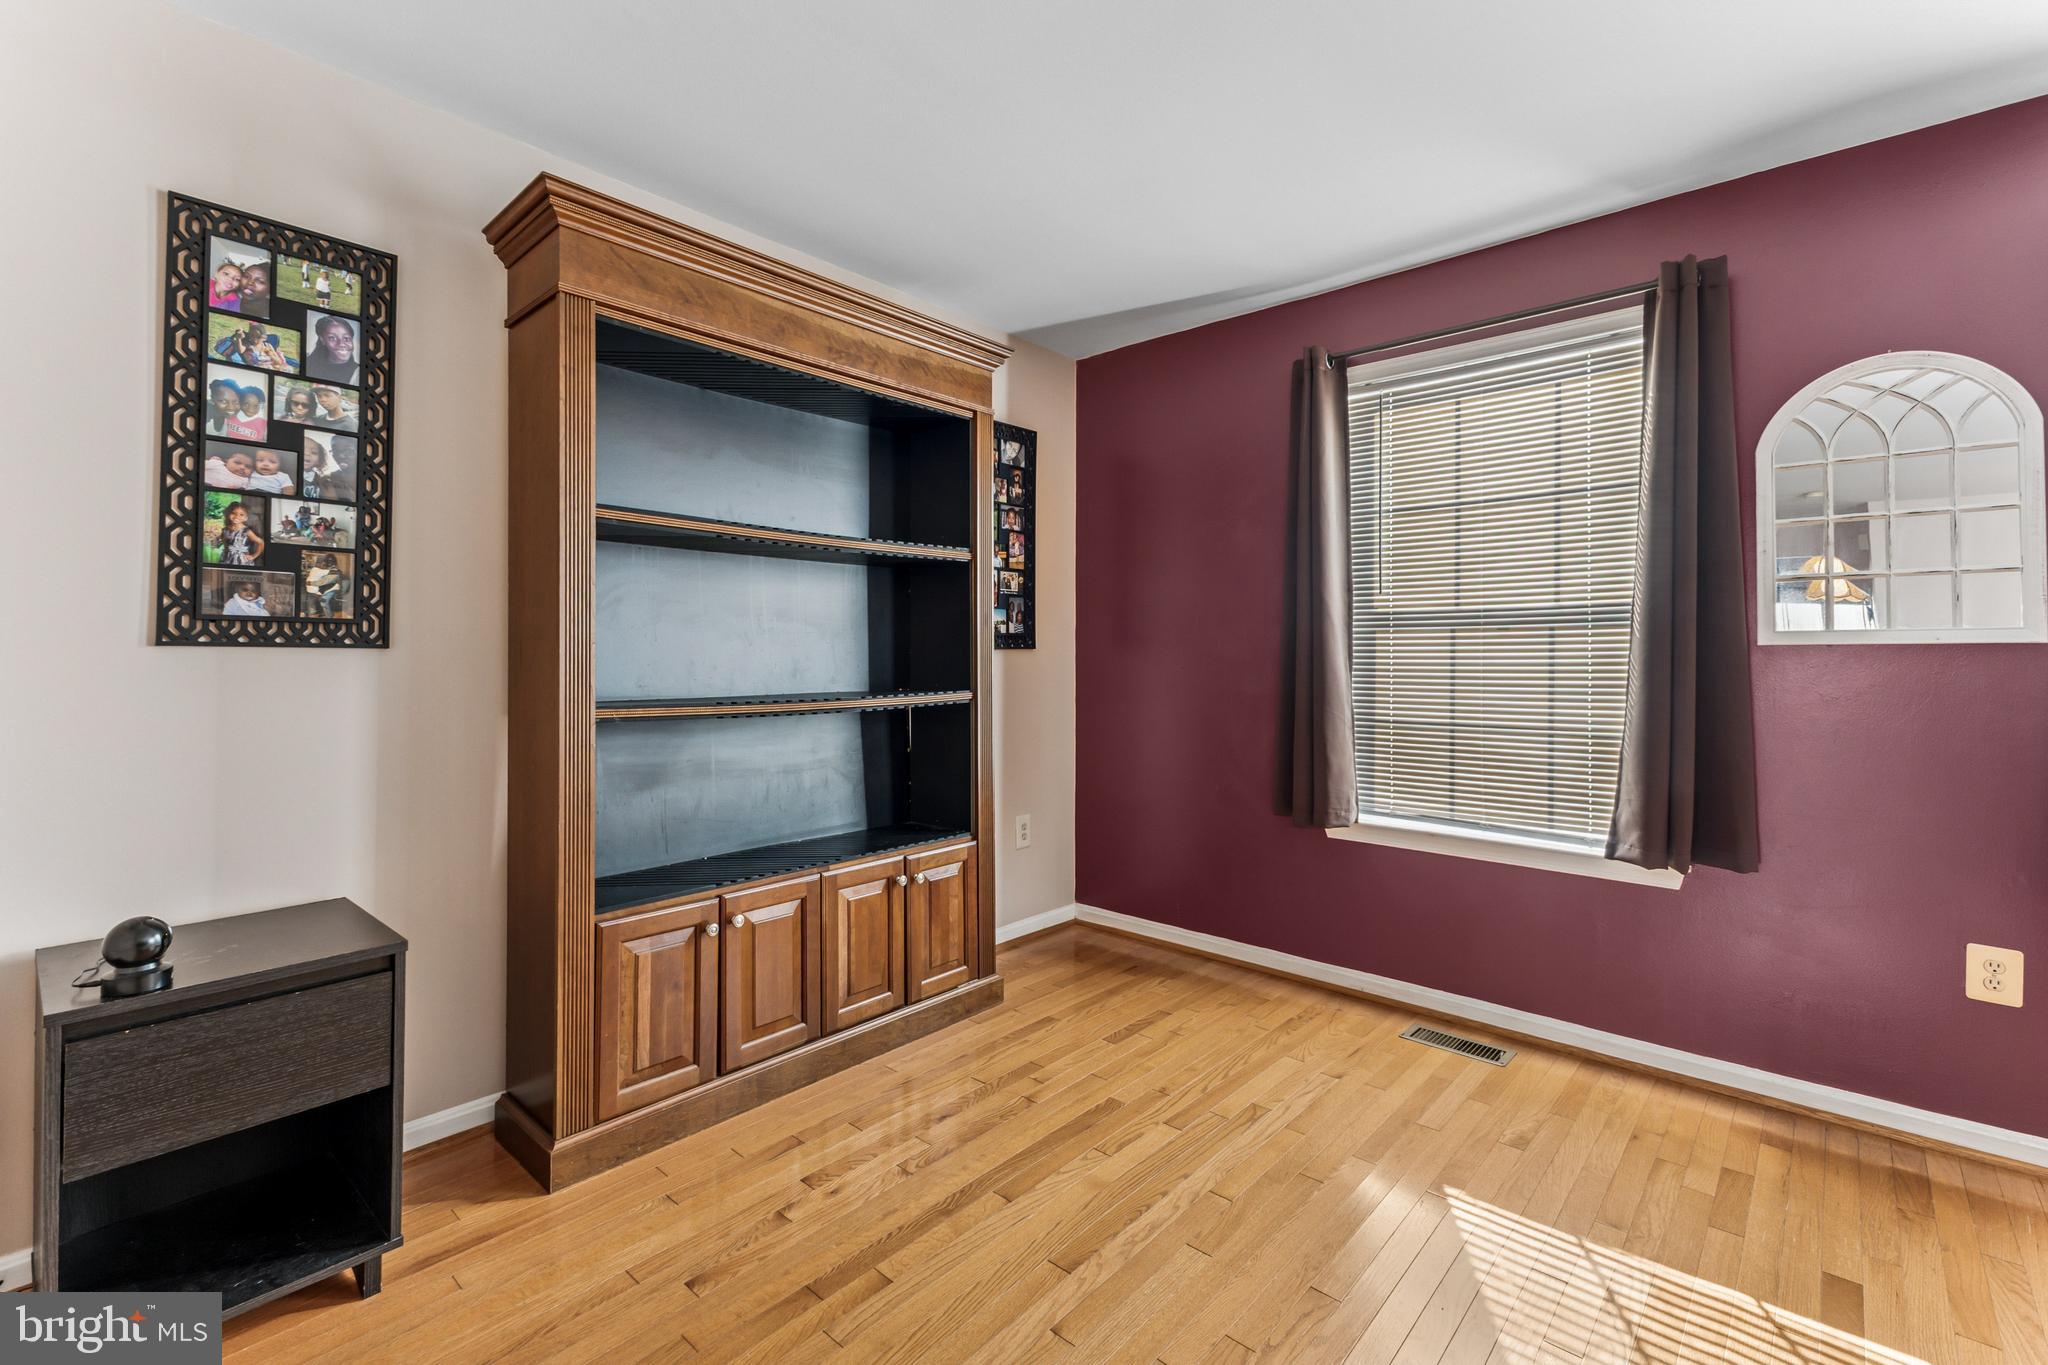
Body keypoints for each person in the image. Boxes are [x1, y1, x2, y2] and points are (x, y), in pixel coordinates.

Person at [306, 315, 359, 384]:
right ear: (322, 340)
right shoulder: (308, 363)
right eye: (332, 338)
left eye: (346, 338)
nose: (341, 344)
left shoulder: (358, 373)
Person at [211, 501, 265, 566]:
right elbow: (218, 544)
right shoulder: (225, 529)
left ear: (246, 518)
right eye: (233, 513)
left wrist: (254, 556)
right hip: (226, 559)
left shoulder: (246, 531)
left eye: (241, 514)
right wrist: (215, 537)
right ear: (228, 514)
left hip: (242, 561)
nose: (237, 516)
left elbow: (261, 542)